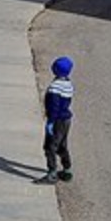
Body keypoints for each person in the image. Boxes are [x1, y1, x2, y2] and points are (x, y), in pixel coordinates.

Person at [41, 55, 75, 184]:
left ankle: (52, 173)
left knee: (50, 147)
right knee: (62, 145)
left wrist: (51, 121)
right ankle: (67, 170)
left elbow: (54, 107)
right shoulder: (68, 84)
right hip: (66, 120)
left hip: (57, 120)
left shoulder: (55, 87)